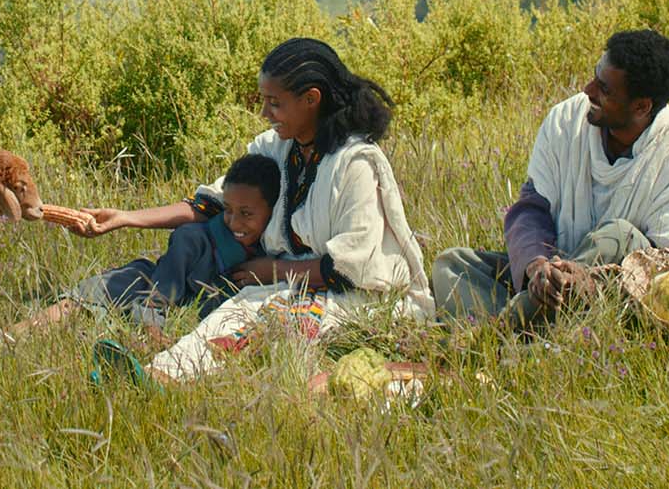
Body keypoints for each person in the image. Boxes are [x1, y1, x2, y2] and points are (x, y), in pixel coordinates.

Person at [83, 37, 435, 383]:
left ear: (311, 99)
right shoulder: (277, 148)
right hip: (285, 283)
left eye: (274, 103)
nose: (265, 113)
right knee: (234, 313)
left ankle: (166, 381)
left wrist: (274, 270)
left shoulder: (354, 163)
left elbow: (351, 268)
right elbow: (212, 204)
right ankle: (154, 376)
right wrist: (126, 218)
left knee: (274, 319)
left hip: (356, 297)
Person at [431, 29, 669, 325]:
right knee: (452, 264)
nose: (588, 91)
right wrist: (538, 266)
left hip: (619, 296)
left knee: (619, 236)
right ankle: (527, 329)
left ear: (641, 106)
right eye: (595, 77)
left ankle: (501, 331)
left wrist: (587, 280)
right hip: (553, 275)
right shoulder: (567, 122)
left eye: (605, 89)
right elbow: (531, 208)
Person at [58, 153, 280, 328]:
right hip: (153, 288)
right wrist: (152, 327)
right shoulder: (195, 240)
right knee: (84, 299)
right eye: (228, 210)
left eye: (246, 214)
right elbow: (159, 293)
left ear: (273, 211)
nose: (234, 222)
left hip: (193, 315)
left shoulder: (274, 255)